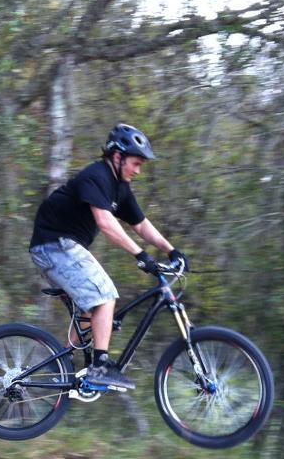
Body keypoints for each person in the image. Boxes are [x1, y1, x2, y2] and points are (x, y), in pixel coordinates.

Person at [29, 123, 186, 390]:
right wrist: (140, 254)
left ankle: (59, 366)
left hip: (65, 248)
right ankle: (100, 367)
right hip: (54, 245)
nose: (138, 170)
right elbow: (105, 222)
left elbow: (141, 224)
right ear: (117, 156)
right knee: (105, 295)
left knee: (97, 315)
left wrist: (171, 250)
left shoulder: (120, 188)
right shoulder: (97, 176)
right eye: (136, 163)